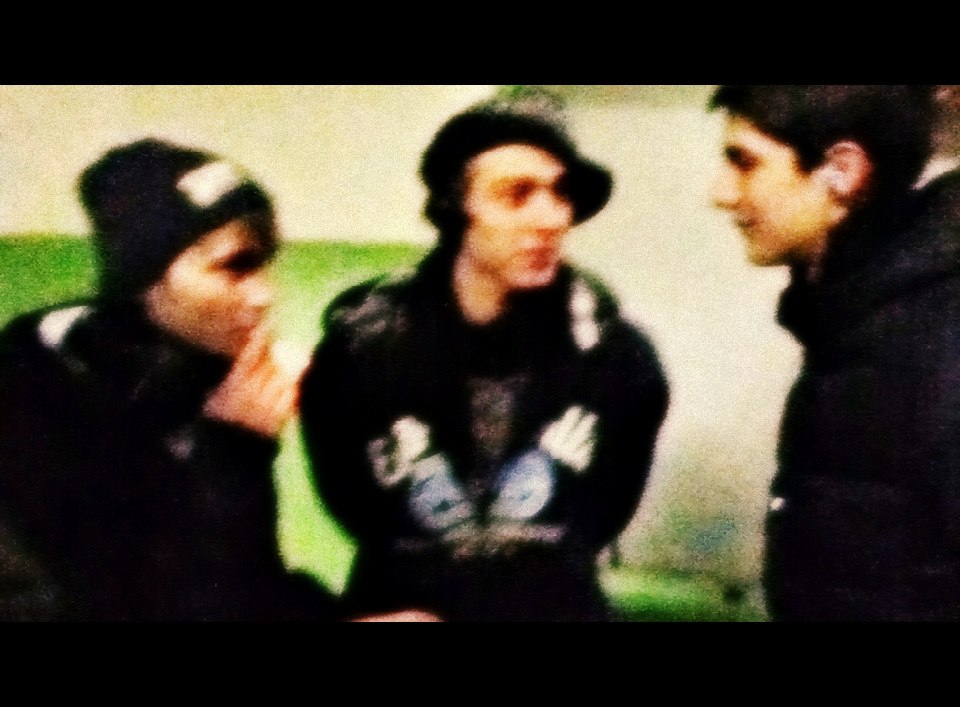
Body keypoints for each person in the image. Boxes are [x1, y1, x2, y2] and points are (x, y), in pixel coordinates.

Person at [0, 138, 435, 622]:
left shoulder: (201, 386)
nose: (264, 295)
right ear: (143, 279)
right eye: (235, 266)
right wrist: (232, 451)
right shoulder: (35, 404)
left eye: (264, 264)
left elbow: (246, 586)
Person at [299, 91, 670, 622]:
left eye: (560, 193)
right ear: (458, 206)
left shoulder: (617, 358)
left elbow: (604, 511)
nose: (550, 218)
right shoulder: (364, 346)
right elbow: (349, 497)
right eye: (516, 194)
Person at [710, 85, 960, 621]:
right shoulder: (854, 320)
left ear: (842, 172)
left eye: (745, 163)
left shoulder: (934, 340)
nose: (721, 193)